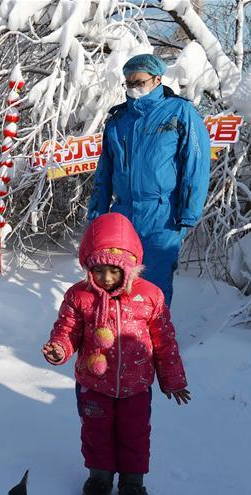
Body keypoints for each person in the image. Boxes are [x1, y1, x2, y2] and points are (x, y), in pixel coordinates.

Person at [41, 212, 190, 495]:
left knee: (135, 433)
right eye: (98, 270)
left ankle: (132, 482)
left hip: (136, 386)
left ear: (130, 267)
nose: (106, 278)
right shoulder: (79, 296)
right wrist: (60, 348)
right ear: (88, 267)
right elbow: (68, 331)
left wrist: (172, 379)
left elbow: (164, 341)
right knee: (96, 431)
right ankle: (99, 477)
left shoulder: (150, 296)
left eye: (114, 270)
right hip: (93, 385)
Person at [88, 53, 211, 306]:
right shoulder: (119, 120)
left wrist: (189, 211)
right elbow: (105, 170)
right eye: (129, 84)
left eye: (139, 82)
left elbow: (196, 164)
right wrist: (98, 211)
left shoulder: (180, 112)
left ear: (157, 79)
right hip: (122, 213)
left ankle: (155, 342)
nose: (133, 89)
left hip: (162, 214)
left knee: (154, 284)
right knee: (118, 279)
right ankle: (120, 338)